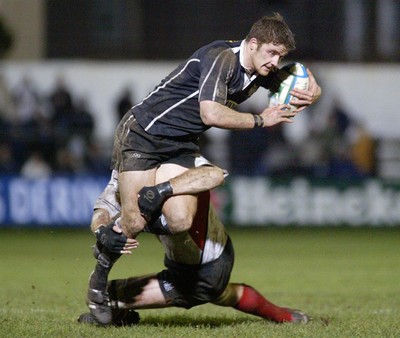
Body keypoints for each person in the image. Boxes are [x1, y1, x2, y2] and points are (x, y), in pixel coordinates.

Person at [90, 12, 321, 324]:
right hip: (144, 134)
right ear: (252, 44)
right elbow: (211, 113)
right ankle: (98, 285)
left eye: (281, 56)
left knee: (181, 219)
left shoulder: (259, 70)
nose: (276, 62)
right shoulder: (221, 59)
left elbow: (300, 86)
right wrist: (260, 119)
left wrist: (313, 92)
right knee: (131, 218)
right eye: (272, 53)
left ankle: (149, 212)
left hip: (180, 144)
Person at [79, 162, 309, 326]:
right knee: (223, 294)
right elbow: (103, 209)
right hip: (193, 260)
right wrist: (101, 229)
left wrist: (163, 190)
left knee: (108, 297)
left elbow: (213, 175)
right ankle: (284, 317)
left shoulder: (182, 161)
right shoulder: (129, 170)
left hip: (204, 263)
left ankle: (119, 313)